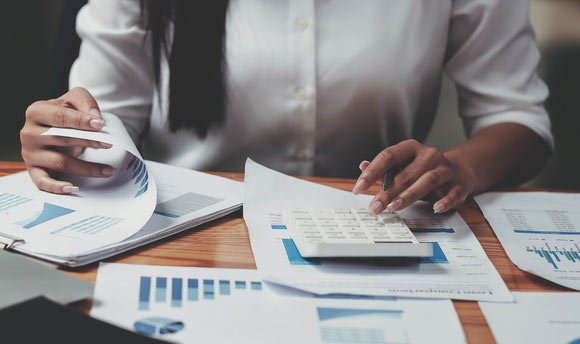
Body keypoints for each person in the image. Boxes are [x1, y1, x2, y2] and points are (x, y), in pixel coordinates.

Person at [20, 0, 553, 215]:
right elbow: (99, 120)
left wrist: (459, 167)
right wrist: (67, 136)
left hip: (376, 226)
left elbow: (520, 119)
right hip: (189, 229)